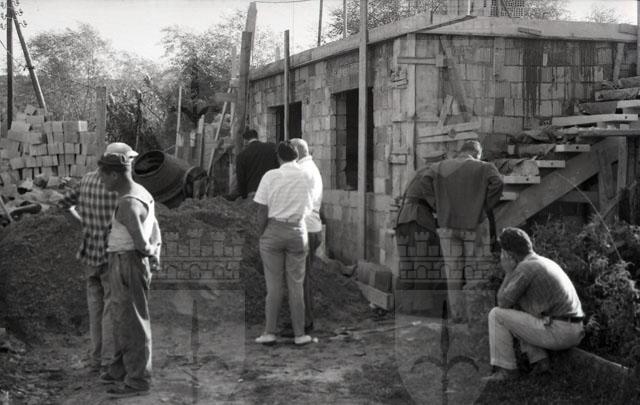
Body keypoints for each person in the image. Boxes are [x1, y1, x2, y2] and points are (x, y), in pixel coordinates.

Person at [59, 144, 132, 372]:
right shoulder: (122, 187)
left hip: (90, 252)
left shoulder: (87, 180)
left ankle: (95, 358)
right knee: (111, 308)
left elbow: (63, 204)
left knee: (95, 308)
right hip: (112, 254)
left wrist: (83, 222)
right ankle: (109, 361)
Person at [97, 143, 162, 398]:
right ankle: (121, 368)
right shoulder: (141, 192)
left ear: (114, 174)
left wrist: (149, 253)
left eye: (103, 175)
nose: (101, 180)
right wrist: (154, 252)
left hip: (128, 261)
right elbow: (154, 229)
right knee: (122, 319)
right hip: (126, 260)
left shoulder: (128, 203)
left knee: (133, 323)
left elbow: (141, 242)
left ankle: (138, 381)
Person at [485, 227, 584, 381]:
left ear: (509, 254)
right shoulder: (543, 261)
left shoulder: (525, 268)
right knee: (519, 308)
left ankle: (507, 371)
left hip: (560, 331)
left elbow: (502, 302)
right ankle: (540, 363)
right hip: (573, 328)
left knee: (496, 314)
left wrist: (508, 272)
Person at [424, 140, 503, 321]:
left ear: (461, 151)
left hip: (447, 225)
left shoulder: (439, 166)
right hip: (474, 224)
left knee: (453, 275)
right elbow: (498, 183)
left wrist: (437, 205)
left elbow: (424, 182)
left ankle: (457, 317)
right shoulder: (485, 167)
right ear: (477, 153)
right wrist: (484, 206)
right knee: (475, 272)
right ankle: (474, 317)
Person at [253, 141, 314, 346]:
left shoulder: (271, 176)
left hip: (274, 230)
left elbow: (262, 210)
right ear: (296, 155)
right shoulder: (307, 175)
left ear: (278, 157)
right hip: (298, 230)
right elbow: (310, 206)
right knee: (296, 285)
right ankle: (300, 334)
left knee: (274, 286)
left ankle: (269, 332)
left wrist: (261, 233)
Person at [395, 152, 445, 291]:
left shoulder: (418, 173)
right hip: (417, 219)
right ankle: (421, 304)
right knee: (422, 267)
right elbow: (437, 202)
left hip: (403, 219)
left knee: (407, 268)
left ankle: (402, 303)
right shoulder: (431, 174)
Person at [290, 138, 322, 335]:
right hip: (312, 227)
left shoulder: (302, 171)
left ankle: (303, 322)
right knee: (303, 278)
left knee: (300, 279)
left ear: (296, 152)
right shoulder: (311, 168)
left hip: (306, 229)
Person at [235, 129, 279, 199]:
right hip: (272, 189)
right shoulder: (271, 147)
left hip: (254, 192)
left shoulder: (242, 155)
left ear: (245, 141)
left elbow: (241, 179)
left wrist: (243, 195)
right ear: (257, 137)